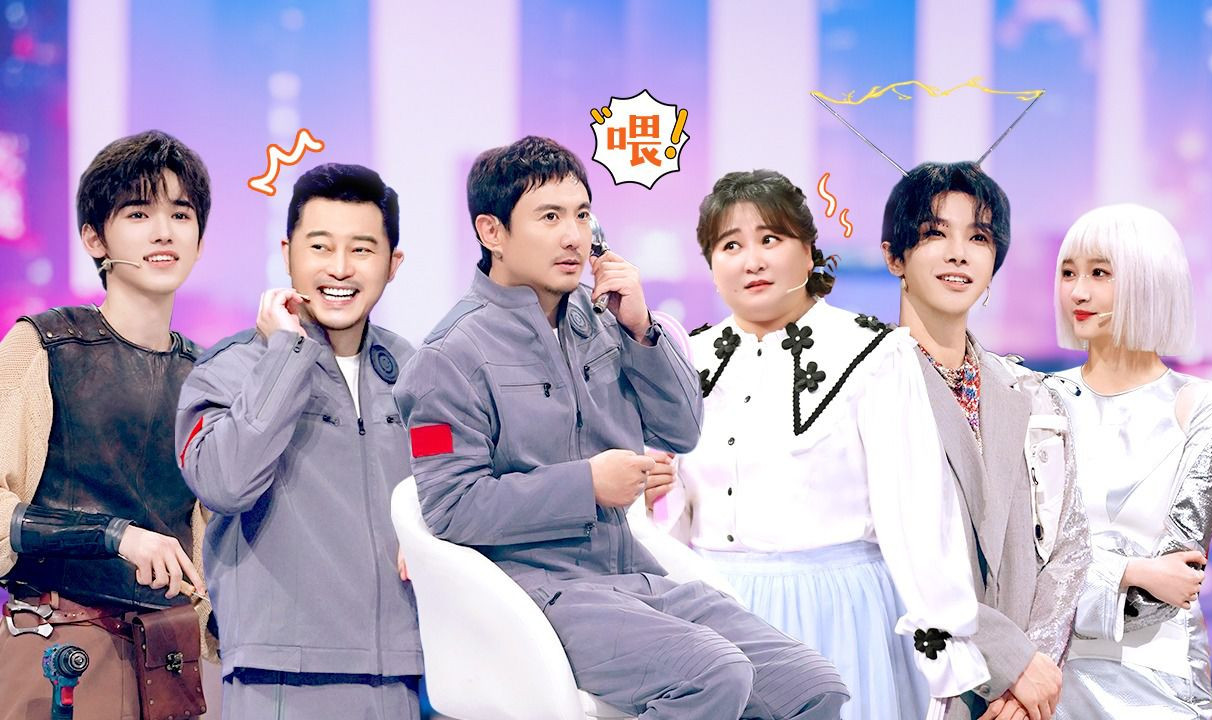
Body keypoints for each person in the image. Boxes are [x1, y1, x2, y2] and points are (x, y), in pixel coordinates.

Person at [394, 136, 849, 720]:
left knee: (813, 686)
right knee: (715, 675)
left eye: (582, 215)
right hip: (537, 593)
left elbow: (681, 431)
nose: (573, 236)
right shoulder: (446, 358)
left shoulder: (606, 319)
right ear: (492, 232)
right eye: (550, 217)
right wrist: (585, 484)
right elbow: (449, 509)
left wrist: (641, 329)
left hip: (631, 575)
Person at [654, 169, 989, 719]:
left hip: (840, 613)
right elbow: (671, 517)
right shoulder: (684, 358)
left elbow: (917, 512)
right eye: (730, 245)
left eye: (770, 239)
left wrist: (948, 647)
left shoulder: (875, 353)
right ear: (711, 266)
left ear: (809, 252)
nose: (752, 261)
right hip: (716, 615)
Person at [176, 163, 422, 718]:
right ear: (288, 254)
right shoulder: (230, 368)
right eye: (320, 246)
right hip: (282, 674)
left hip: (406, 672)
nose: (340, 268)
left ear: (393, 263)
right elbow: (225, 484)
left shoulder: (415, 370)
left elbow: (452, 483)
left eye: (362, 249)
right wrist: (285, 356)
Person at [0, 130, 211, 720]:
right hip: (58, 653)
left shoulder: (209, 376)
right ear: (95, 237)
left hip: (171, 665)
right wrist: (114, 535)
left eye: (181, 214)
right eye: (139, 213)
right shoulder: (44, 346)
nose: (164, 232)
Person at [879, 161, 1090, 720]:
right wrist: (1009, 662)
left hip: (1025, 700)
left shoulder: (1032, 394)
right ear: (894, 257)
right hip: (917, 677)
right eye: (934, 234)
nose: (959, 254)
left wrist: (1032, 675)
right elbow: (888, 549)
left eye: (978, 238)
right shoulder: (866, 387)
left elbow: (1068, 546)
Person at [1052, 204, 1212, 719]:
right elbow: (1025, 556)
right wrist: (1131, 570)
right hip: (1048, 674)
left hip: (1159, 674)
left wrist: (1077, 583)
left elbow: (1173, 582)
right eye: (1068, 272)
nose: (1078, 292)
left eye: (1099, 273)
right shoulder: (1041, 398)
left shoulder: (1202, 406)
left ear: (1149, 279)